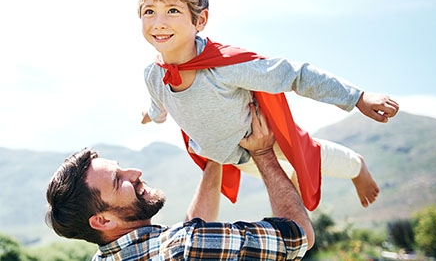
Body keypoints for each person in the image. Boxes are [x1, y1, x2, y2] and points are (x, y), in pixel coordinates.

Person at [139, 0, 399, 209]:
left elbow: (297, 75)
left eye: (172, 10)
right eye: (149, 11)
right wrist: (150, 114)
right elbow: (158, 105)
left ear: (201, 19)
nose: (158, 22)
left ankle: (356, 166)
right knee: (286, 184)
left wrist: (358, 97)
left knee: (312, 157)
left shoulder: (227, 67)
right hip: (232, 156)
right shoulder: (153, 75)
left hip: (260, 141)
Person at [46, 105, 314, 260]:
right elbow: (298, 237)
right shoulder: (184, 247)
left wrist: (214, 156)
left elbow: (190, 233)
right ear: (102, 221)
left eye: (122, 169)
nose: (135, 172)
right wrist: (263, 153)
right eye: (119, 180)